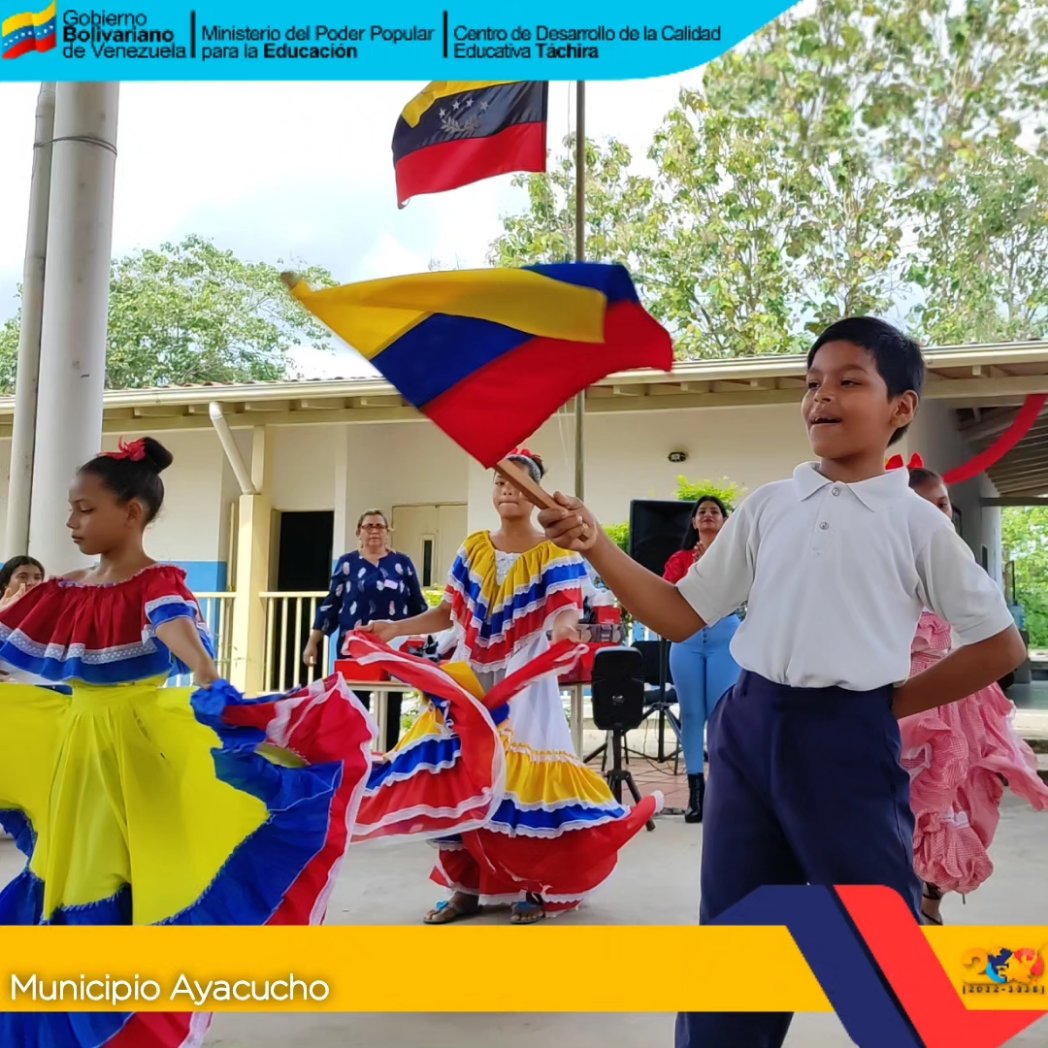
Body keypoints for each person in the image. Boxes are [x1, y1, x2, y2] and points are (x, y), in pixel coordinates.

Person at [538, 317, 1026, 1048]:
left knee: (877, 945)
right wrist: (596, 543)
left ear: (900, 407)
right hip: (748, 728)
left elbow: (998, 644)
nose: (821, 397)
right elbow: (680, 613)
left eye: (849, 381)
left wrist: (888, 705)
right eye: (812, 383)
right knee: (735, 933)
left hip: (848, 742)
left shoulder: (916, 523)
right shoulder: (769, 506)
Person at [0, 437, 376, 1048]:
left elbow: (174, 626)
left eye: (85, 509)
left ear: (132, 513)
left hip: (137, 748)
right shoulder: (66, 589)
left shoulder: (156, 582)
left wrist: (204, 672)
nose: (71, 522)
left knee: (134, 873)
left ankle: (137, 1015)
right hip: (78, 751)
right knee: (74, 870)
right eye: (71, 509)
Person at [364, 448, 663, 925]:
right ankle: (465, 888)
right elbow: (448, 613)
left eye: (519, 484)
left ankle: (533, 884)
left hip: (525, 676)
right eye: (501, 483)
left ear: (535, 493)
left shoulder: (556, 550)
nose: (508, 491)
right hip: (469, 674)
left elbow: (565, 609)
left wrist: (564, 631)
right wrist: (395, 628)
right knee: (456, 774)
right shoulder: (473, 547)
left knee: (521, 780)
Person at [901, 462, 1048, 925]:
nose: (936, 514)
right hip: (902, 703)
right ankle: (898, 907)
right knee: (905, 806)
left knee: (957, 798)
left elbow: (990, 637)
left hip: (957, 700)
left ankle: (930, 905)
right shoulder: (885, 565)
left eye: (942, 504)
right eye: (923, 506)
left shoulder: (960, 565)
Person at [303, 508, 427, 751]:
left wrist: (422, 639)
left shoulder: (402, 563)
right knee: (353, 702)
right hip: (354, 647)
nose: (374, 531)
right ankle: (354, 755)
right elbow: (332, 603)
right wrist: (313, 642)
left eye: (380, 526)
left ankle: (388, 754)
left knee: (391, 702)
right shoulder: (347, 563)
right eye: (368, 526)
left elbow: (417, 604)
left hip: (392, 645)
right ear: (358, 532)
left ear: (388, 532)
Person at [663, 497, 741, 823]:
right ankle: (696, 793)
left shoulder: (736, 556)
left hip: (724, 637)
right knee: (692, 714)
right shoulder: (679, 559)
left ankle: (722, 792)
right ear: (694, 522)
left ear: (725, 521)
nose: (708, 515)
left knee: (721, 714)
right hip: (687, 639)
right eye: (702, 512)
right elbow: (668, 594)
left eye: (715, 512)